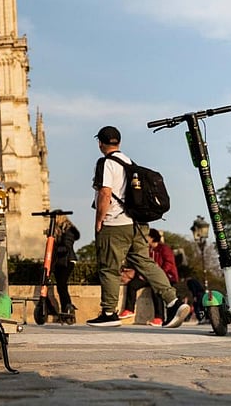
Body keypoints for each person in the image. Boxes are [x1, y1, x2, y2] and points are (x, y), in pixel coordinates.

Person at [87, 125, 190, 328]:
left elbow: (105, 193)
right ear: (119, 142)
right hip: (138, 224)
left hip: (115, 223)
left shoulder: (106, 163)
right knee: (146, 263)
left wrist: (99, 219)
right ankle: (173, 301)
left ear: (100, 143)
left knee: (109, 267)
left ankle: (109, 313)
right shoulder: (128, 162)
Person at [120, 228, 179, 325]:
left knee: (156, 290)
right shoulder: (146, 250)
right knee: (133, 284)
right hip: (148, 277)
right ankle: (129, 309)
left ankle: (159, 318)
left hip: (166, 276)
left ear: (152, 238)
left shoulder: (164, 249)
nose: (144, 238)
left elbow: (169, 264)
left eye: (146, 236)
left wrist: (158, 274)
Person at [52, 214, 80, 319]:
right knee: (61, 286)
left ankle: (67, 307)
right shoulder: (59, 231)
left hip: (67, 261)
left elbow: (67, 246)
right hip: (59, 261)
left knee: (62, 285)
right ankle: (66, 308)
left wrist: (56, 246)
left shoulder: (68, 230)